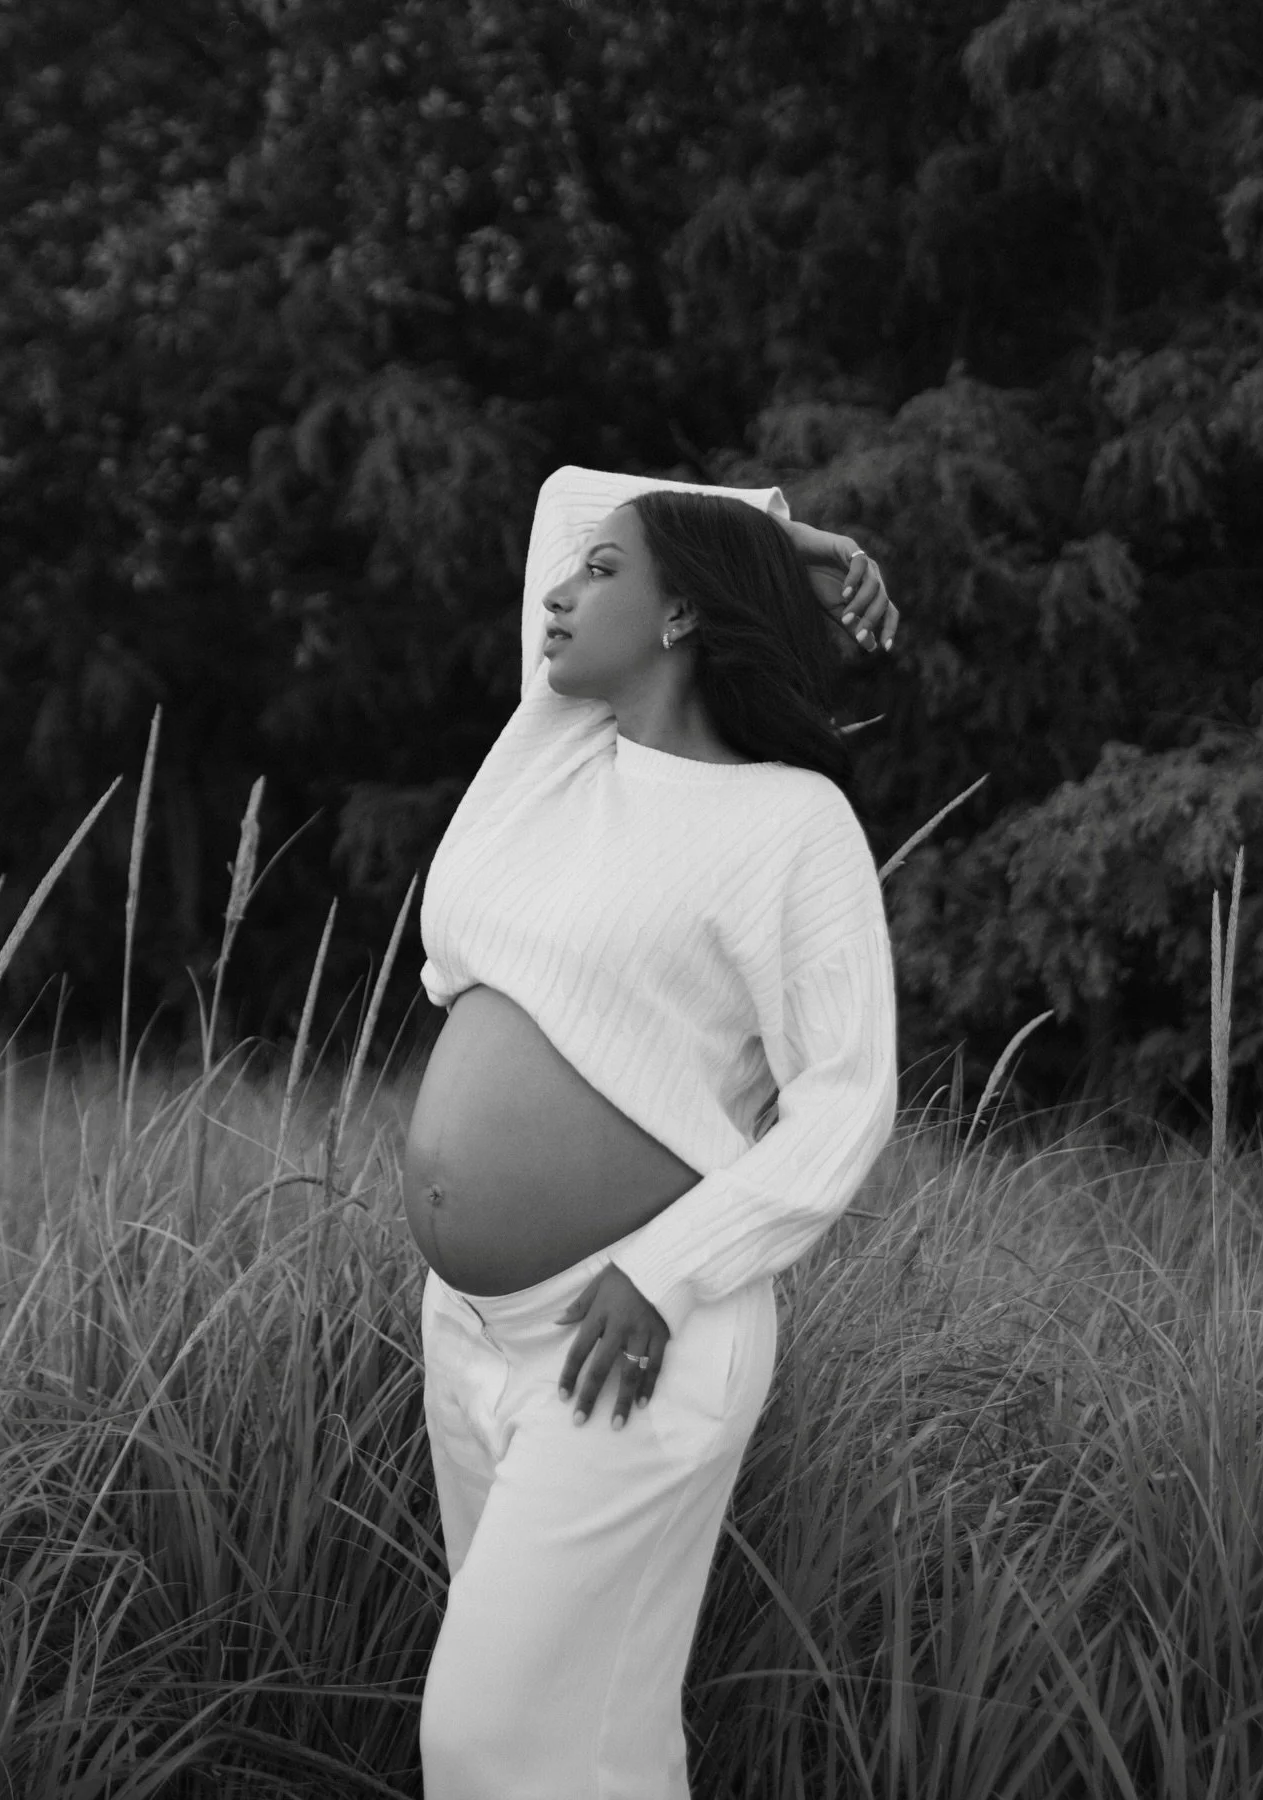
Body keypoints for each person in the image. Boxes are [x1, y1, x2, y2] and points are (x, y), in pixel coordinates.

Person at [406, 463, 902, 1800]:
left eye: (607, 574)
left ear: (682, 618)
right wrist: (772, 535)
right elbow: (567, 499)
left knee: (487, 1745)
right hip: (469, 1330)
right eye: (569, 578)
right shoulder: (555, 758)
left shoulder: (792, 824)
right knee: (582, 1752)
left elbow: (849, 1100)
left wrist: (665, 1270)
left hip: (632, 1335)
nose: (563, 592)